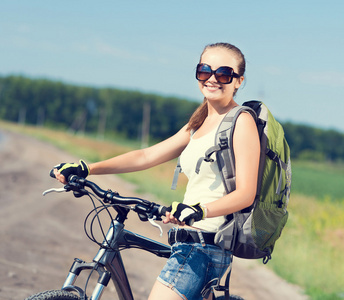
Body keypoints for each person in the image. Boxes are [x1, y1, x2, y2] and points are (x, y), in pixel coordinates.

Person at [52, 42, 260, 300]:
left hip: (207, 247)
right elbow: (146, 155)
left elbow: (246, 194)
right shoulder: (199, 121)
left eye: (224, 73)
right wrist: (88, 168)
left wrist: (199, 209)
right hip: (186, 242)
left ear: (238, 81)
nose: (213, 79)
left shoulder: (242, 121)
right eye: (205, 70)